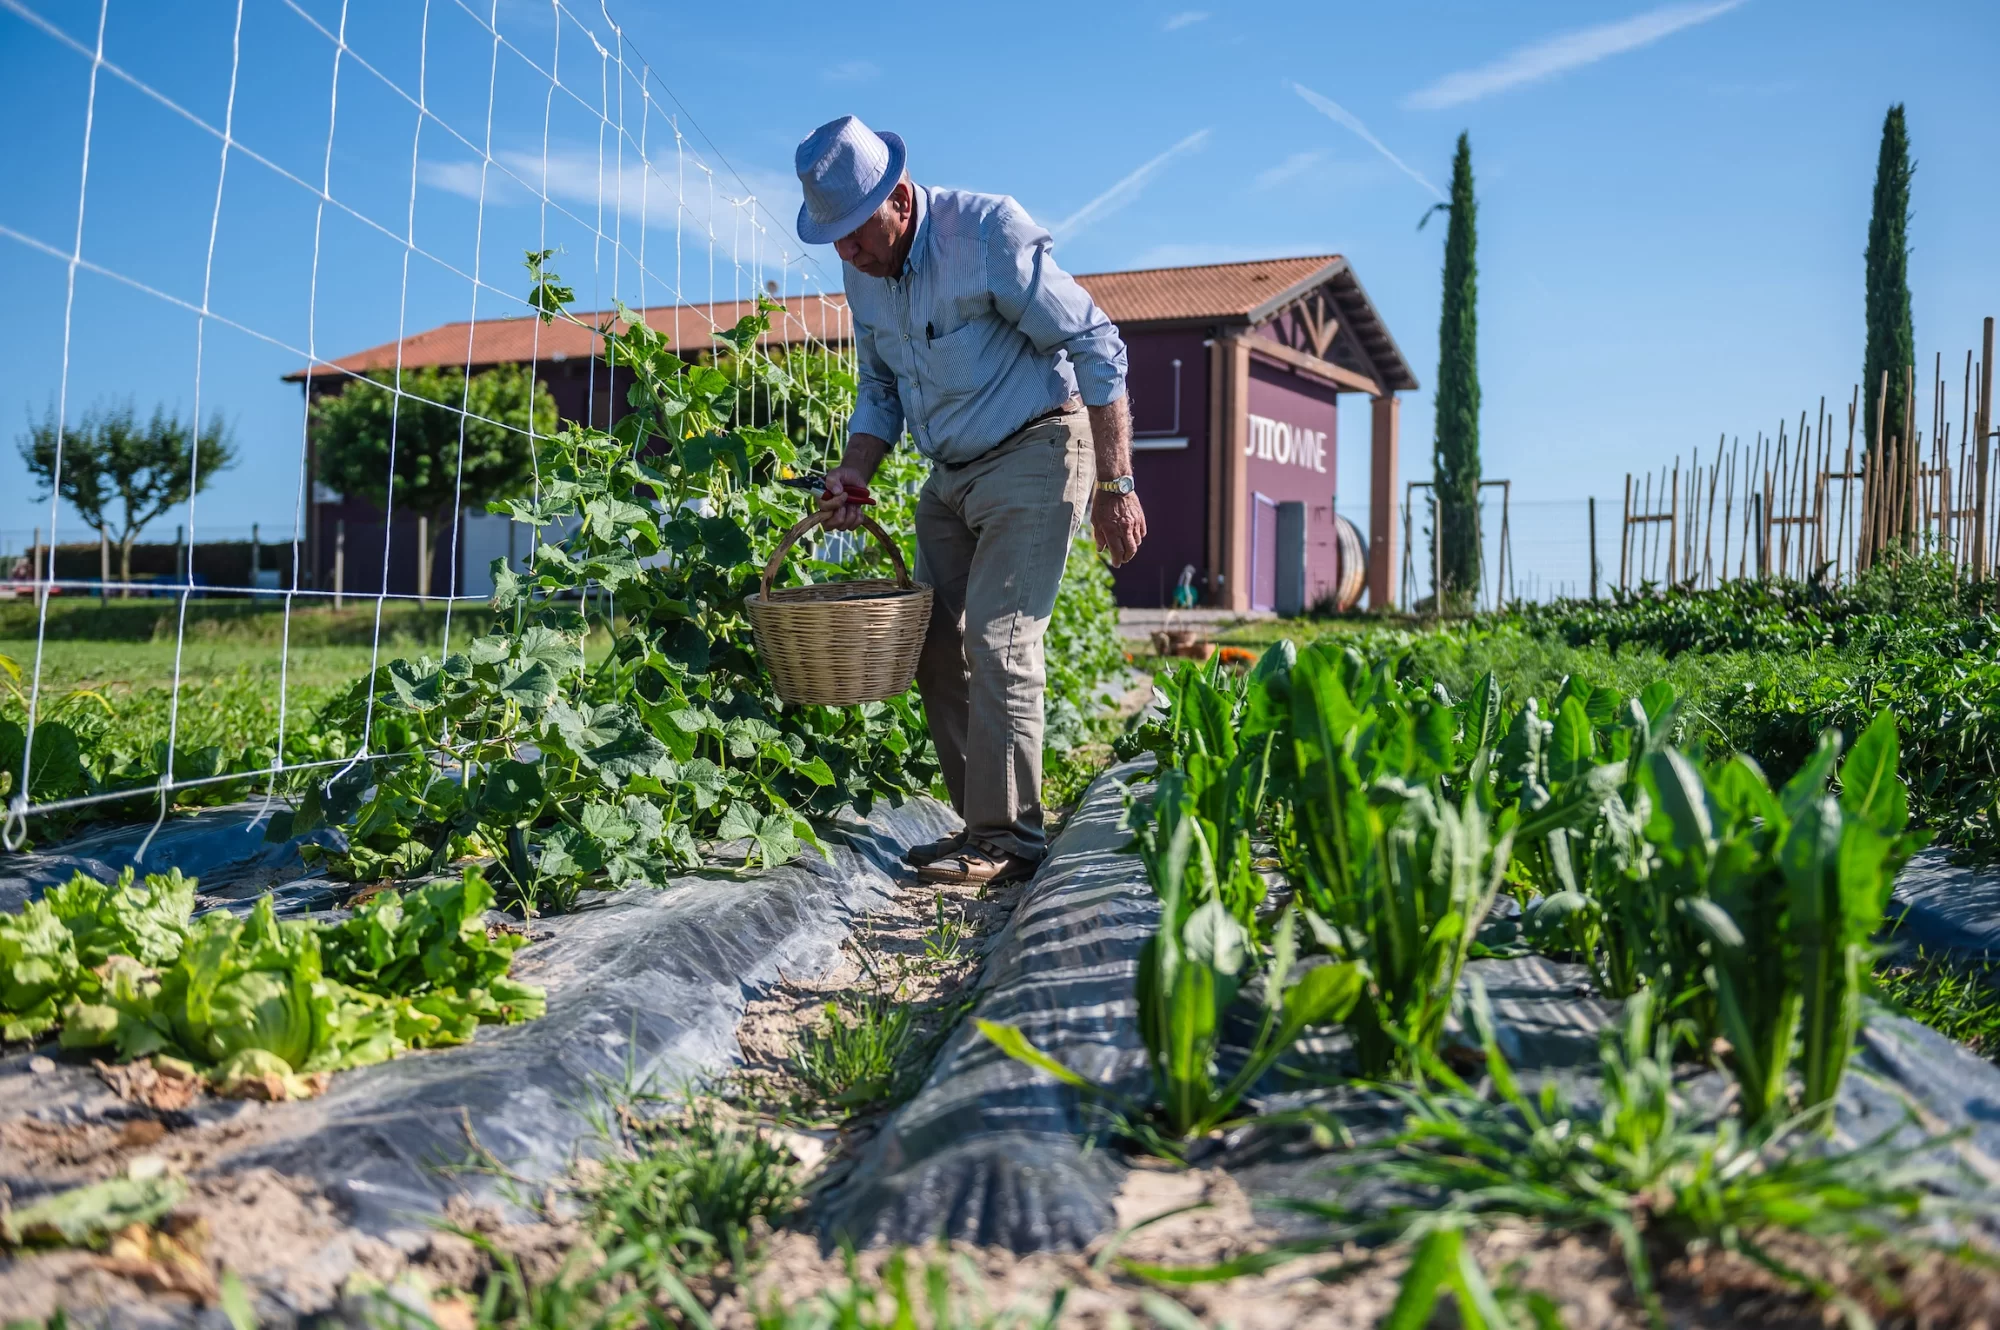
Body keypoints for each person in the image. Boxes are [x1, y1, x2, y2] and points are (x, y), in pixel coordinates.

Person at [794, 115, 1146, 888]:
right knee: (931, 641)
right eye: (834, 240)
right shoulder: (864, 272)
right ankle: (981, 824)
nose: (847, 253)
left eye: (855, 233)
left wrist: (1116, 484)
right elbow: (879, 387)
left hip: (1036, 446)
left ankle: (1009, 838)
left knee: (1001, 638)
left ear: (900, 199)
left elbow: (1097, 343)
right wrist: (854, 470)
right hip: (949, 472)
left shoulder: (987, 234)